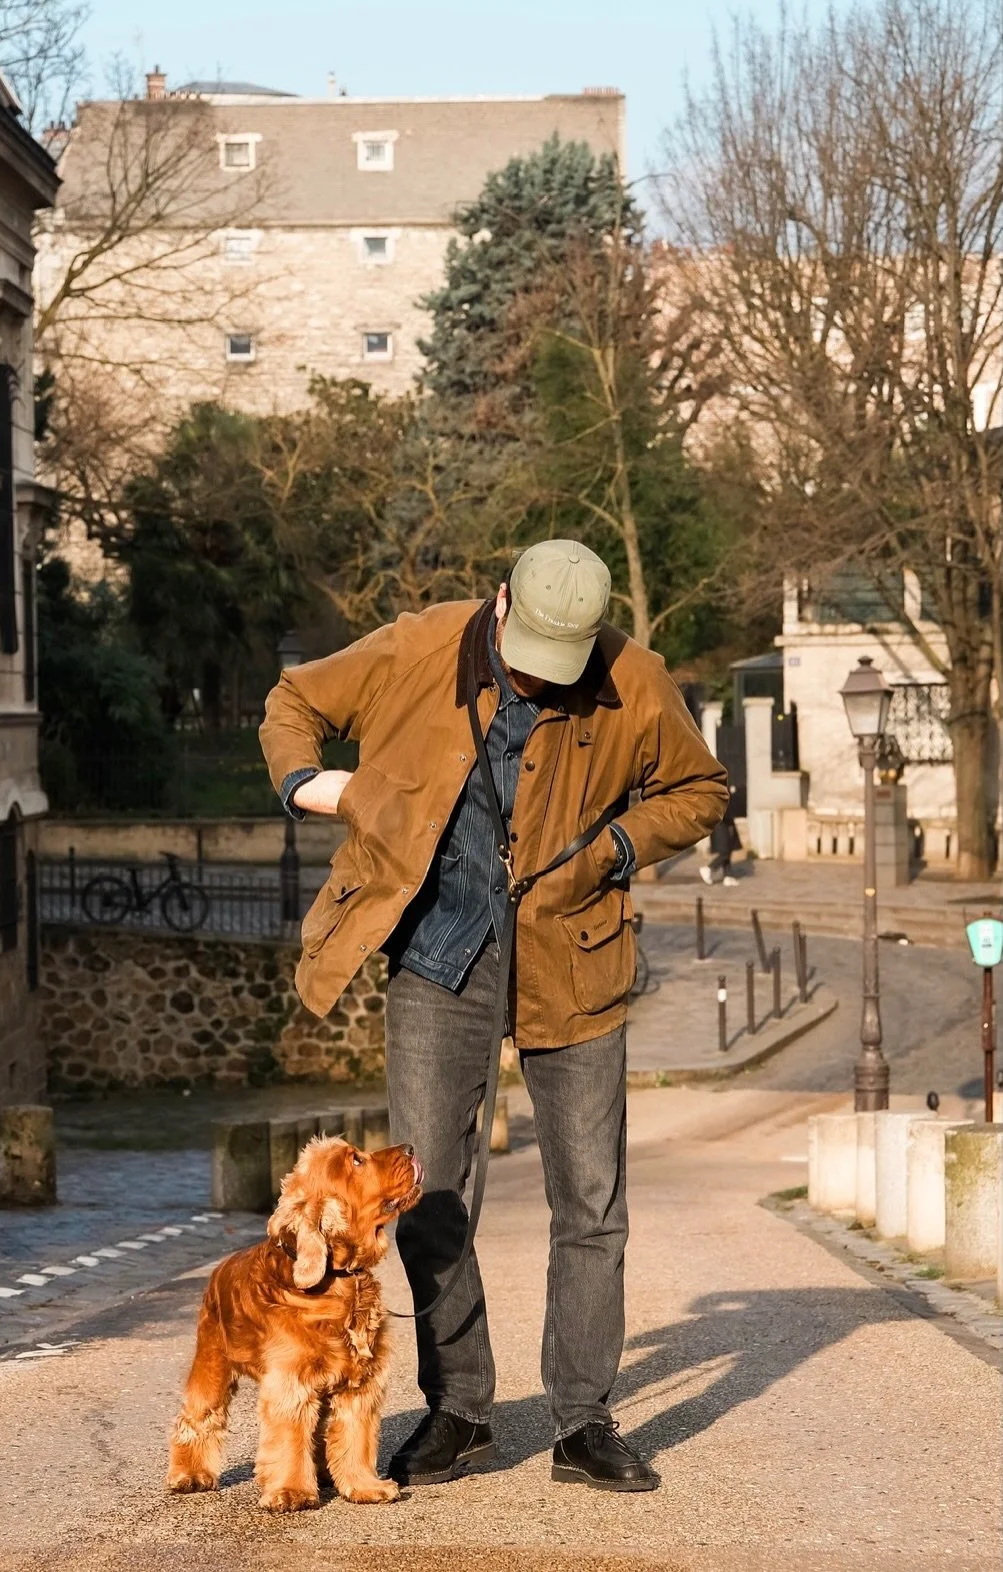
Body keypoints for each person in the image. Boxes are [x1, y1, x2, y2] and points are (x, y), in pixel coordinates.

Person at [260, 540, 727, 1494]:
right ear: (501, 600)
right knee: (425, 1194)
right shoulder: (419, 646)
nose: (538, 677)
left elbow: (701, 790)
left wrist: (612, 850)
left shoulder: (632, 678)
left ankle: (584, 1421)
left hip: (576, 961)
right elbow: (293, 701)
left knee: (590, 1203)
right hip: (438, 953)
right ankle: (459, 1408)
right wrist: (322, 787)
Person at [700, 784, 741, 886]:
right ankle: (709, 868)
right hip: (722, 826)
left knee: (727, 851)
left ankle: (728, 876)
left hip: (723, 825)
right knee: (725, 852)